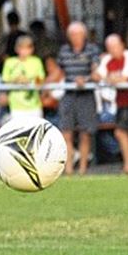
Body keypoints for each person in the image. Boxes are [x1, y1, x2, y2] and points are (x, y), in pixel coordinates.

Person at [51, 21, 101, 175]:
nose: (75, 37)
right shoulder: (64, 51)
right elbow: (58, 72)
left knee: (85, 133)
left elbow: (96, 72)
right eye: (72, 35)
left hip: (86, 95)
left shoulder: (92, 50)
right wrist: (44, 85)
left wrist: (85, 80)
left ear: (84, 35)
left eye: (78, 34)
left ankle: (83, 168)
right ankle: (69, 169)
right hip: (68, 94)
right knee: (66, 131)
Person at [94, 34, 128, 175]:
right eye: (110, 48)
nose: (113, 50)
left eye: (115, 47)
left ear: (122, 45)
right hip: (120, 101)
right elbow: (96, 76)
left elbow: (125, 78)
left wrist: (109, 78)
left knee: (120, 132)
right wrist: (111, 77)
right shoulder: (108, 59)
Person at [1, 35, 45, 120]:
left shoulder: (36, 61)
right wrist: (15, 81)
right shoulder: (9, 62)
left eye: (27, 48)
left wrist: (30, 81)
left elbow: (40, 79)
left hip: (34, 105)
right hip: (16, 106)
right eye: (21, 48)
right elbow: (5, 81)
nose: (24, 51)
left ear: (32, 49)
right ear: (16, 49)